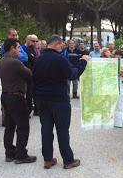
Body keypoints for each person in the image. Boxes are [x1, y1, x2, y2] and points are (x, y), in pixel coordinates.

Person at [33, 35, 89, 169]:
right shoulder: (60, 59)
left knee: (46, 129)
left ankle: (47, 159)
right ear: (57, 44)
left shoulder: (38, 59)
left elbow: (33, 78)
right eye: (61, 45)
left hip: (42, 100)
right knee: (62, 130)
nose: (62, 47)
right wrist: (83, 62)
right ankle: (68, 160)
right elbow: (73, 74)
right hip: (59, 100)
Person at [0, 39, 37, 164]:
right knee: (23, 126)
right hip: (16, 97)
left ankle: (9, 153)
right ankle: (21, 155)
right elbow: (29, 74)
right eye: (18, 48)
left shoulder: (2, 60)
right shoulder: (15, 62)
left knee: (9, 126)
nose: (20, 50)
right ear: (12, 48)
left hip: (5, 96)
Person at [22, 34, 39, 114]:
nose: (35, 42)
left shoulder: (37, 50)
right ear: (29, 41)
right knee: (29, 93)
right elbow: (33, 60)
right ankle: (28, 110)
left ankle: (36, 109)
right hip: (29, 74)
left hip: (36, 74)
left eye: (36, 41)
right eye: (33, 41)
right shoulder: (27, 49)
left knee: (35, 92)